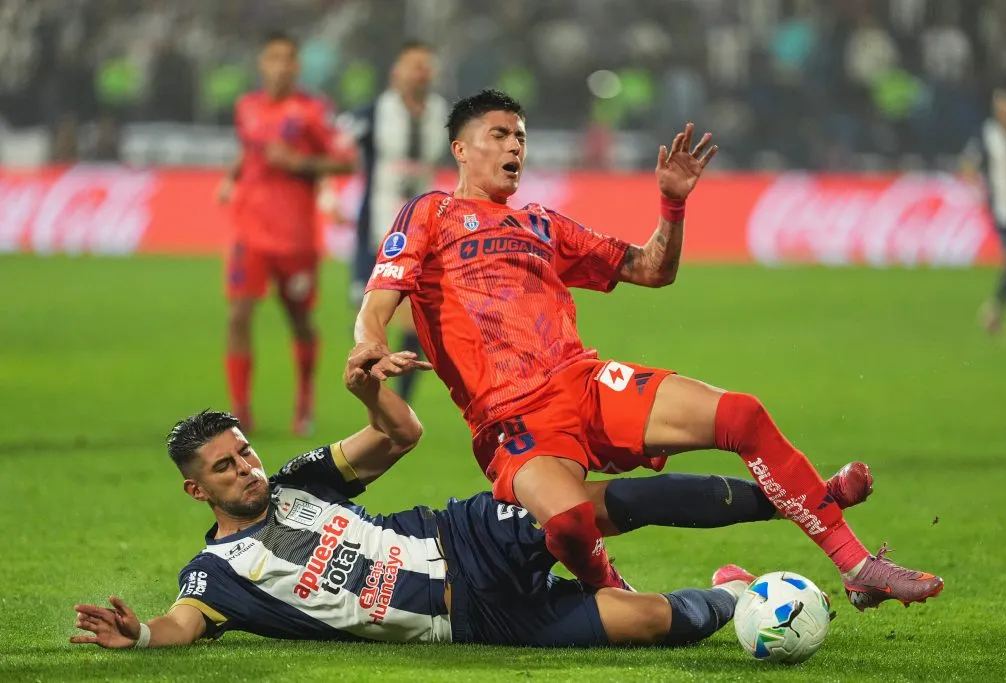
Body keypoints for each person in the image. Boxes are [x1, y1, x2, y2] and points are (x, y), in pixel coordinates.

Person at [350, 89, 943, 611]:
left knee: (742, 414)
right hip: (513, 420)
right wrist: (371, 345)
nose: (515, 148)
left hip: (583, 381)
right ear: (460, 148)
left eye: (521, 137)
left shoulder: (540, 223)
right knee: (571, 522)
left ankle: (858, 569)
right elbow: (381, 297)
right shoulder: (432, 212)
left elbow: (652, 268)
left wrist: (673, 205)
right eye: (499, 135)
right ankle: (621, 596)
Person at [66, 351, 871, 650]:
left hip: (465, 537)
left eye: (243, 450)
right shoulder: (215, 573)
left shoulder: (298, 480)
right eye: (224, 465)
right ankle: (734, 591)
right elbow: (177, 624)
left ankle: (793, 499)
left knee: (599, 506)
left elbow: (402, 435)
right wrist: (137, 635)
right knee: (651, 622)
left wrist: (377, 397)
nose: (245, 467)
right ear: (194, 486)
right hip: (472, 620)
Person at [217, 31, 356, 435]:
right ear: (262, 63)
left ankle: (304, 406)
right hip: (250, 234)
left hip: (295, 237)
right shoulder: (247, 107)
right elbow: (248, 150)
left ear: (297, 66)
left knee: (298, 319)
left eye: (288, 59)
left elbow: (345, 162)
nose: (280, 66)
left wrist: (298, 162)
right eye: (273, 58)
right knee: (238, 315)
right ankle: (240, 411)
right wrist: (231, 178)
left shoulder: (313, 110)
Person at [342, 41, 449, 402]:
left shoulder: (442, 113)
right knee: (371, 314)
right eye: (413, 65)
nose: (421, 72)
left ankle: (398, 401)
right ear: (396, 72)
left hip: (421, 226)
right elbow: (337, 148)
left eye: (426, 66)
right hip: (378, 224)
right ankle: (383, 395)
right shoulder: (374, 112)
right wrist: (327, 192)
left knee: (409, 313)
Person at [962, 88, 1006, 343]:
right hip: (1001, 206)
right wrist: (979, 192)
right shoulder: (986, 134)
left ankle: (994, 309)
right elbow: (968, 164)